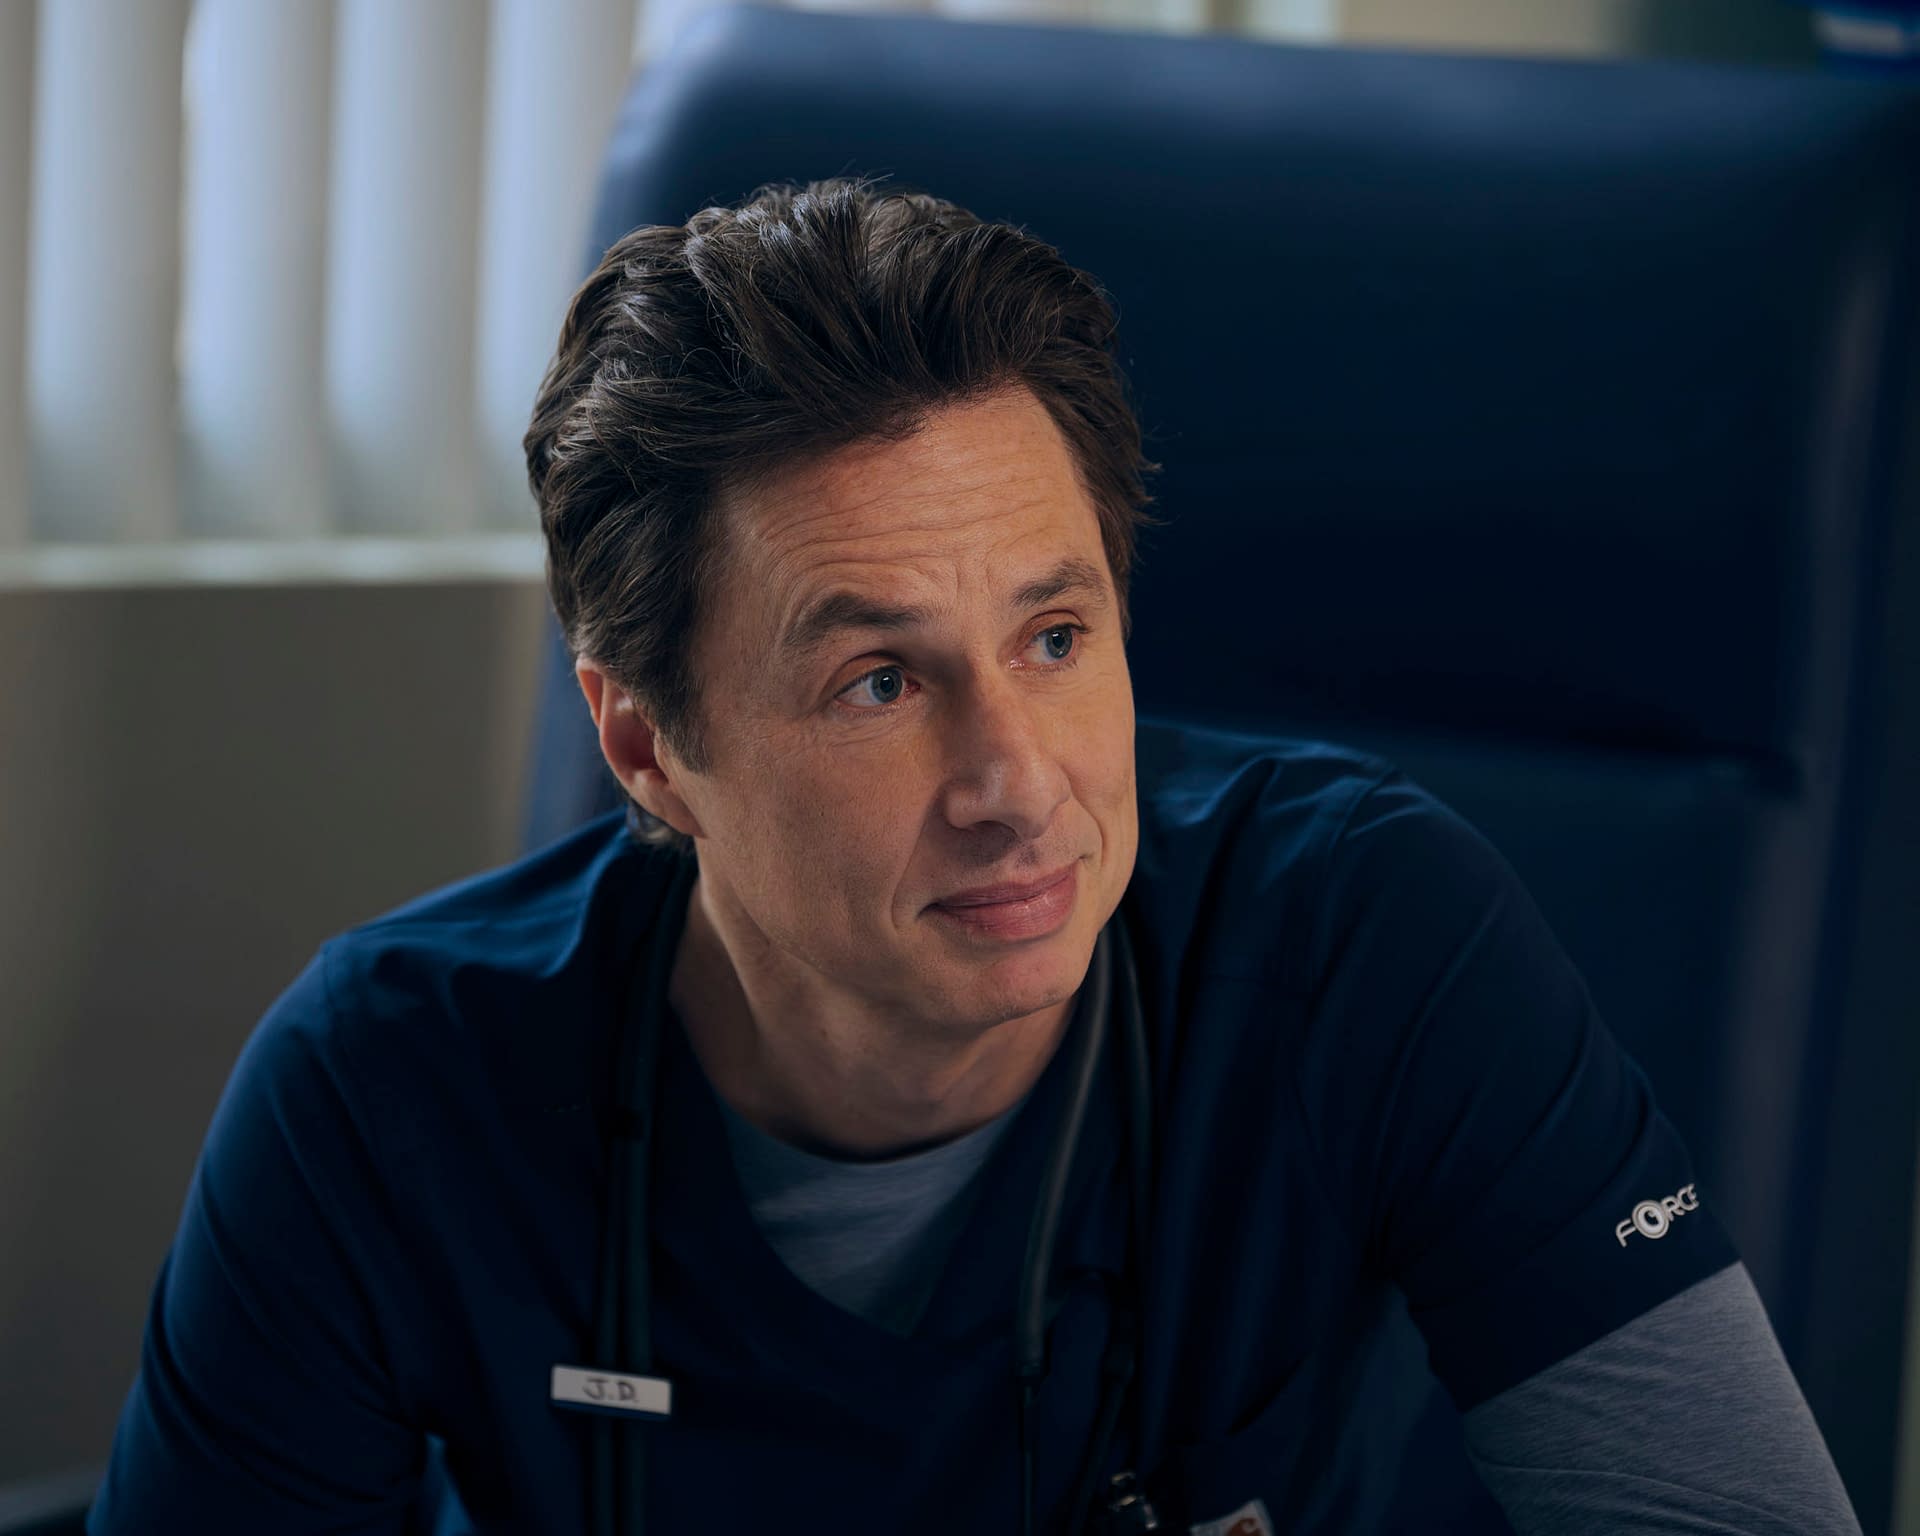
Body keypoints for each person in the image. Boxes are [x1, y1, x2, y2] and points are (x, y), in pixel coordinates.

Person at [88, 176, 1862, 1535]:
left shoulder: (1366, 940)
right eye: (879, 681)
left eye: (1055, 637)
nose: (1017, 782)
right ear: (646, 745)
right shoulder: (383, 1091)